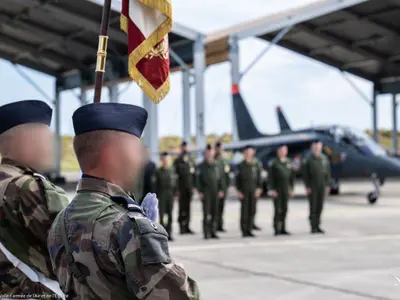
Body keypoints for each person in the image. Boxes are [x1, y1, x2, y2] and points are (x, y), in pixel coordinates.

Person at [47, 103, 200, 299]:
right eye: (135, 150)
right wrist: (150, 238)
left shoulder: (59, 222)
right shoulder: (126, 226)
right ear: (113, 154)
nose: (141, 160)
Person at [0, 100, 69, 298]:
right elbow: (77, 251)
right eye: (46, 139)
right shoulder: (28, 188)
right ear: (27, 141)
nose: (52, 148)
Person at [303, 140, 332, 234]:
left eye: (318, 147)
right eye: (315, 147)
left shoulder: (324, 158)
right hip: (312, 186)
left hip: (322, 185)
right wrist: (307, 186)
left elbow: (327, 172)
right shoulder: (308, 160)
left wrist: (328, 184)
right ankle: (313, 226)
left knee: (320, 206)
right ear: (312, 148)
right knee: (313, 207)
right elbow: (305, 175)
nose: (316, 149)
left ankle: (318, 225)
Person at [197, 144, 223, 240]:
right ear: (205, 154)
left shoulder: (217, 165)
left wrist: (221, 190)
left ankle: (213, 232)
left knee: (214, 213)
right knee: (206, 213)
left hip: (215, 192)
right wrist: (200, 191)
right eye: (207, 153)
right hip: (206, 192)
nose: (209, 154)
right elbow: (198, 180)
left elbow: (220, 179)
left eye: (210, 152)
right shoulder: (201, 166)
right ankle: (206, 232)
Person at [235, 145, 262, 238]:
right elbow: (236, 180)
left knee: (252, 211)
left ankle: (250, 229)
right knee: (244, 212)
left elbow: (259, 178)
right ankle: (244, 230)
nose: (249, 154)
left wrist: (259, 189)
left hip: (253, 192)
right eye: (247, 152)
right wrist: (238, 191)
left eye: (250, 152)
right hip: (244, 192)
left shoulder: (256, 164)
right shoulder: (240, 165)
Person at [268, 144, 295, 236]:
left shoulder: (289, 162)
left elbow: (291, 178)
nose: (283, 152)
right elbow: (270, 178)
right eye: (281, 150)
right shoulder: (274, 163)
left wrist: (291, 189)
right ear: (278, 152)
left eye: (284, 150)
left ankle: (283, 228)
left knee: (285, 209)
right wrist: (272, 189)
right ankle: (277, 229)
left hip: (286, 190)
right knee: (278, 210)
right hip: (277, 190)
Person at [174, 141, 195, 234]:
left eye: (186, 147)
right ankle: (181, 227)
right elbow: (174, 177)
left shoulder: (190, 160)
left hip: (189, 189)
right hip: (181, 189)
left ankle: (187, 226)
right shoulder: (177, 161)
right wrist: (176, 190)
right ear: (181, 148)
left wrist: (194, 187)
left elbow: (194, 175)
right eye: (183, 147)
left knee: (188, 208)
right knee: (181, 208)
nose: (185, 149)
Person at [155, 152, 176, 241]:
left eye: (166, 159)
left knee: (170, 214)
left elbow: (175, 183)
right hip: (162, 194)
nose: (165, 161)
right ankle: (162, 234)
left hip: (170, 195)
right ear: (161, 160)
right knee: (162, 215)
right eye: (163, 159)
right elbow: (156, 185)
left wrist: (175, 194)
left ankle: (169, 233)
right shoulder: (158, 171)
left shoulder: (172, 170)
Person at [214, 141, 230, 232]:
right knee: (215, 208)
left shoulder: (224, 161)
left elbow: (227, 174)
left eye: (221, 148)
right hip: (215, 188)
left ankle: (220, 225)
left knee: (221, 207)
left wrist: (227, 186)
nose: (220, 150)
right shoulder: (214, 160)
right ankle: (215, 225)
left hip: (223, 187)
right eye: (218, 148)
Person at [252, 155, 263, 231]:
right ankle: (247, 227)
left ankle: (252, 224)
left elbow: (259, 176)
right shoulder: (242, 164)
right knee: (246, 210)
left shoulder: (257, 163)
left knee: (253, 209)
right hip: (246, 190)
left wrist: (259, 188)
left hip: (255, 189)